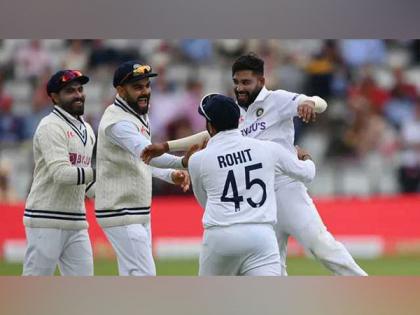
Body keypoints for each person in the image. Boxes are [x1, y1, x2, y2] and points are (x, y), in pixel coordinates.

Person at [142, 53, 367, 276]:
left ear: (261, 81)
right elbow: (210, 134)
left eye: (246, 82)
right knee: (274, 265)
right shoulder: (236, 111)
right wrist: (167, 146)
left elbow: (322, 103)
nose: (240, 87)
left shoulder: (276, 100)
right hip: (259, 197)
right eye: (236, 82)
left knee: (321, 245)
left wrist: (309, 102)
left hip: (286, 188)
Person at [188, 94, 316, 276]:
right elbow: (308, 174)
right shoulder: (267, 148)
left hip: (220, 236)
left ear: (210, 125)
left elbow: (205, 202)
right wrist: (305, 157)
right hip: (261, 235)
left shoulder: (198, 159)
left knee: (211, 301)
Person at [95, 61, 193, 276]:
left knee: (133, 276)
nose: (145, 92)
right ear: (120, 90)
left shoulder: (136, 114)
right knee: (144, 276)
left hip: (136, 211)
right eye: (137, 87)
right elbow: (148, 153)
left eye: (147, 86)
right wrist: (183, 162)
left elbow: (140, 161)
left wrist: (169, 175)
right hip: (120, 211)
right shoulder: (118, 123)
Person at [23, 70, 96, 276]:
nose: (78, 95)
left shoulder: (88, 130)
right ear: (54, 97)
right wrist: (100, 172)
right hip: (46, 219)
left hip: (77, 221)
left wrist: (111, 192)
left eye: (80, 89)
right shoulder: (50, 126)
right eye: (70, 91)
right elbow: (62, 174)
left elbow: (85, 183)